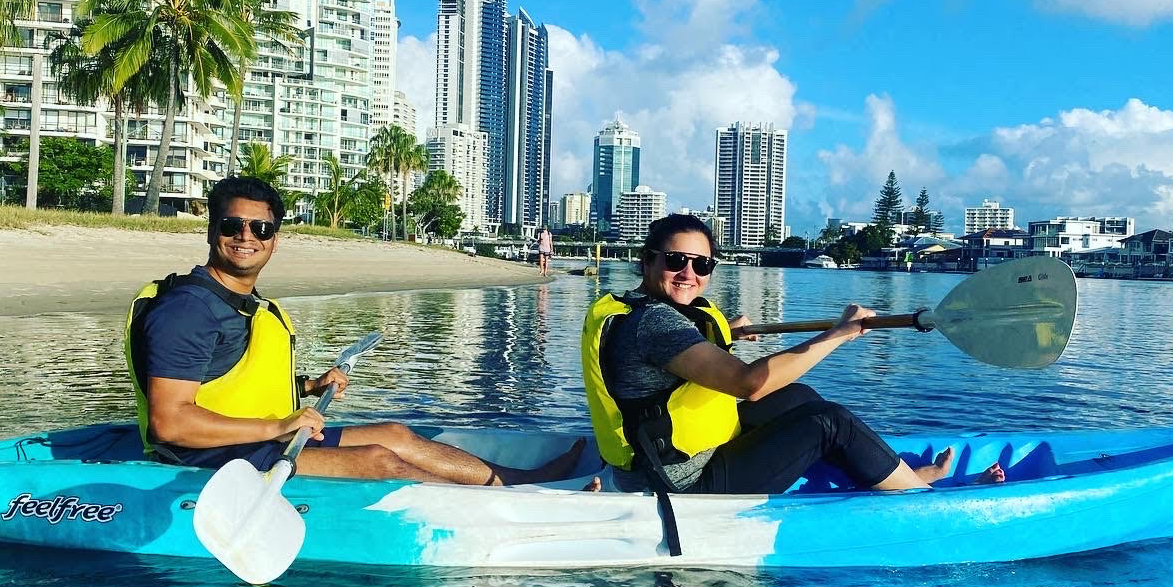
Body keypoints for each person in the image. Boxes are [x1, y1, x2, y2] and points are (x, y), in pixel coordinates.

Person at [126, 175, 592, 487]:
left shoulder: (243, 303)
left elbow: (222, 381)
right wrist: (279, 424)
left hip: (253, 439)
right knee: (379, 460)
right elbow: (172, 422)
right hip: (201, 461)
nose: (246, 236)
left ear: (275, 238)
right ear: (211, 231)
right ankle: (506, 507)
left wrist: (309, 386)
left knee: (395, 434)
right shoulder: (187, 310)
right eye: (233, 224)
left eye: (261, 228)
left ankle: (512, 481)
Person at [581, 212, 1004, 496]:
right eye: (676, 260)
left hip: (665, 456)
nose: (689, 274)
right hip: (678, 481)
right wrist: (837, 334)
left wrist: (724, 328)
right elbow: (749, 383)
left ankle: (888, 476)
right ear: (647, 261)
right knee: (829, 421)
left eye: (703, 265)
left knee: (798, 397)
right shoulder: (655, 324)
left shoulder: (649, 312)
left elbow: (674, 350)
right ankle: (918, 495)